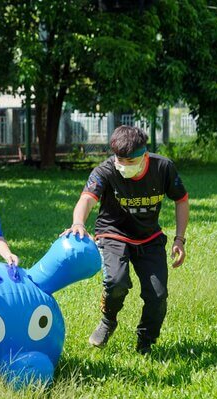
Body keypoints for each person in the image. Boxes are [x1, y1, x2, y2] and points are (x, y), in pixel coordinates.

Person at [61, 125, 189, 354]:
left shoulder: (163, 167)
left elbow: (181, 200)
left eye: (131, 161)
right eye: (120, 160)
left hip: (149, 237)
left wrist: (180, 239)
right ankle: (108, 320)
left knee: (158, 296)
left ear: (145, 155)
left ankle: (146, 341)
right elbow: (87, 199)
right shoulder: (106, 170)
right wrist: (78, 223)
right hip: (113, 233)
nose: (124, 166)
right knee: (116, 283)